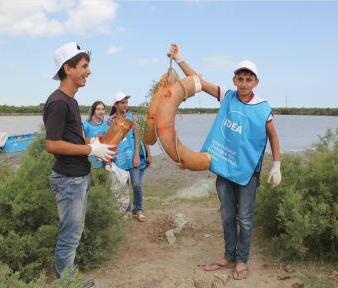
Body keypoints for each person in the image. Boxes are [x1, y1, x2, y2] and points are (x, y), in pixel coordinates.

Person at [168, 44, 281, 280]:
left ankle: (242, 260)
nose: (243, 84)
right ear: (234, 79)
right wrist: (178, 58)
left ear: (256, 82)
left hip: (248, 171)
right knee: (228, 215)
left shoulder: (263, 107)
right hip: (225, 168)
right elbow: (197, 81)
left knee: (246, 219)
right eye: (240, 78)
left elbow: (272, 136)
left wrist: (276, 164)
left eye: (248, 79)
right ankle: (229, 256)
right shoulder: (227, 96)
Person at [43, 42, 117, 285]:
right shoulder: (59, 102)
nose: (89, 71)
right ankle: (67, 284)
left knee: (74, 233)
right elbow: (52, 144)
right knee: (69, 235)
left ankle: (69, 280)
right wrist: (89, 149)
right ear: (68, 68)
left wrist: (94, 142)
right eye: (84, 66)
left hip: (78, 177)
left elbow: (71, 139)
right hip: (68, 179)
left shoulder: (72, 102)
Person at [108, 92, 152, 222]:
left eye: (126, 103)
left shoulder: (132, 117)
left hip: (133, 156)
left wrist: (137, 156)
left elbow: (137, 136)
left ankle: (139, 210)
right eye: (122, 103)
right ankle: (127, 211)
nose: (125, 105)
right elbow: (110, 141)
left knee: (136, 184)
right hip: (120, 158)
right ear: (115, 105)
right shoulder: (110, 120)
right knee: (123, 185)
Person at [82, 101, 110, 168]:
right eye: (98, 109)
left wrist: (109, 160)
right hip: (89, 162)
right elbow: (81, 142)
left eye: (102, 109)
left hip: (104, 162)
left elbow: (109, 144)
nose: (101, 111)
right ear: (93, 111)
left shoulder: (107, 125)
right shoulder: (85, 125)